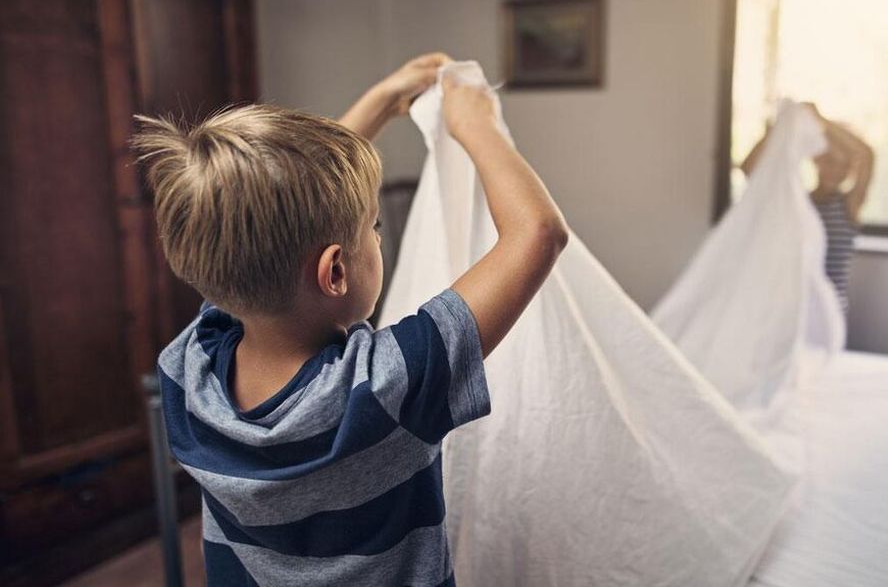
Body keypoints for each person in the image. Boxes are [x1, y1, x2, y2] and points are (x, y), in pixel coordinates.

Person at [133, 53, 568, 586]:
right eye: (374, 225)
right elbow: (538, 233)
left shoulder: (188, 366)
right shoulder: (387, 387)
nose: (379, 235)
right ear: (335, 270)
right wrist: (476, 124)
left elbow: (266, 214)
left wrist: (383, 99)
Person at [742, 103, 875, 312]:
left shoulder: (849, 206)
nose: (837, 170)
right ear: (817, 160)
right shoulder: (798, 203)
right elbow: (749, 170)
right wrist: (777, 132)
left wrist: (820, 119)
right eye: (830, 161)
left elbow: (866, 155)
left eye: (844, 165)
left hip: (830, 311)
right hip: (792, 306)